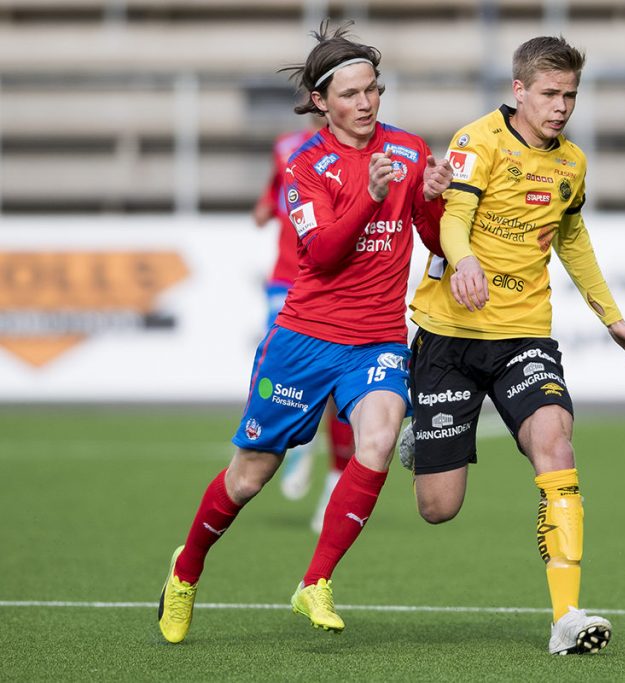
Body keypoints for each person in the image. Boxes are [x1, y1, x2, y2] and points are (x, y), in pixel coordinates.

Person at [157, 21, 453, 644]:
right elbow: (319, 253)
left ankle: (314, 582)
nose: (367, 103)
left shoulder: (407, 150)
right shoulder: (307, 164)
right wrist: (369, 198)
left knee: (377, 440)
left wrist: (433, 198)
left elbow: (429, 235)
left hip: (377, 339)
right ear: (321, 101)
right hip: (305, 339)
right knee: (249, 477)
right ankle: (185, 572)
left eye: (373, 89)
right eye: (350, 94)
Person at [402, 35, 625, 656]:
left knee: (555, 438)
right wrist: (460, 262)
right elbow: (455, 218)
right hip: (449, 336)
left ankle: (566, 617)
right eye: (550, 93)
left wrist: (611, 319)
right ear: (519, 90)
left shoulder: (572, 163)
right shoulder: (477, 141)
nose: (562, 106)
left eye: (571, 95)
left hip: (524, 334)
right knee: (439, 507)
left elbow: (573, 240)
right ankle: (422, 434)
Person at [251, 123, 357, 533]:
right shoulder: (287, 145)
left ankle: (333, 478)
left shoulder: (361, 151)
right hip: (285, 277)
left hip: (332, 280)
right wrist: (264, 206)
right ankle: (302, 439)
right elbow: (275, 187)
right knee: (282, 365)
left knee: (335, 382)